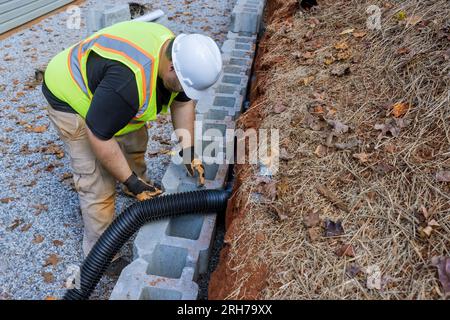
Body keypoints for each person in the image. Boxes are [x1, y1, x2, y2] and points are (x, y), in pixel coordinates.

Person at [42, 21, 223, 256]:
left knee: (134, 141)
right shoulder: (127, 83)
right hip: (70, 94)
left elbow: (183, 102)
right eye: (185, 86)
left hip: (108, 90)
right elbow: (99, 137)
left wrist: (188, 150)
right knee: (97, 181)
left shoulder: (175, 52)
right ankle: (100, 251)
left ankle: (138, 187)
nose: (185, 93)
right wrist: (130, 180)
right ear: (171, 69)